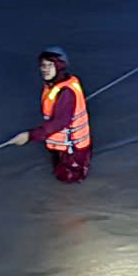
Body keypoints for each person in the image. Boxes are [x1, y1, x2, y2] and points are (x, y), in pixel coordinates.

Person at [8, 46, 92, 182]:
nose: (45, 69)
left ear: (60, 66)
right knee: (59, 177)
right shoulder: (54, 87)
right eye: (43, 66)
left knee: (69, 181)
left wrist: (30, 136)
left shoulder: (65, 92)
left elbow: (59, 123)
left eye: (50, 65)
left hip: (72, 149)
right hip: (61, 146)